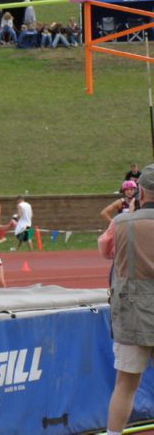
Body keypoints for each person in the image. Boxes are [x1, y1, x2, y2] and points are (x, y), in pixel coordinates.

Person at [98, 164, 154, 435]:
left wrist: (131, 216)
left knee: (125, 384)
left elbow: (105, 250)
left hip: (132, 312)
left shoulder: (120, 223)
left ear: (140, 192)